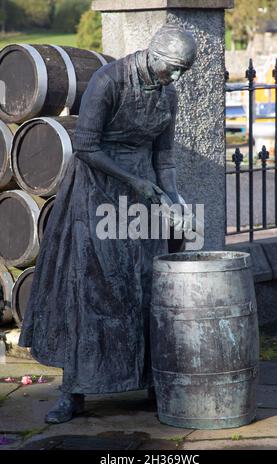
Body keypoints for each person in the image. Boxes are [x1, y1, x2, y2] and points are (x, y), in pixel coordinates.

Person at [18, 24, 197, 424]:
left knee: (148, 285)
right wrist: (133, 181)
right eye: (173, 67)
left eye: (183, 69)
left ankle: (151, 380)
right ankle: (74, 391)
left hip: (143, 196)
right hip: (96, 190)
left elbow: (164, 158)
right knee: (91, 290)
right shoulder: (109, 81)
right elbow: (85, 147)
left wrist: (174, 197)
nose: (177, 76)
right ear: (153, 55)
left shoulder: (168, 93)